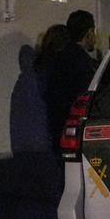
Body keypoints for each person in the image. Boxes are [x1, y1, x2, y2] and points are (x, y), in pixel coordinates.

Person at [42, 10, 98, 148]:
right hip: (75, 132)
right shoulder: (83, 63)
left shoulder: (58, 58)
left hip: (56, 128)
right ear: (89, 33)